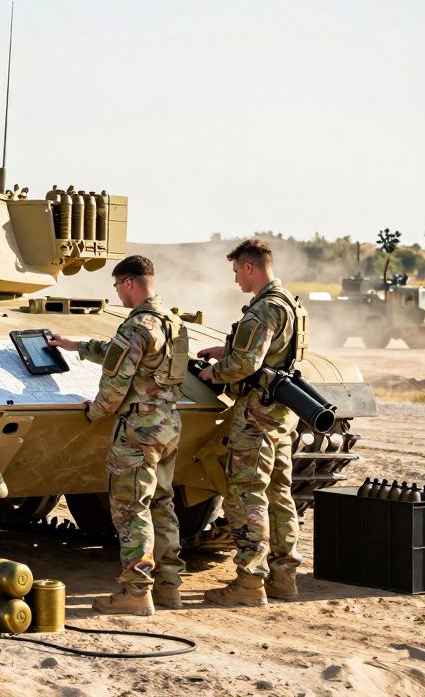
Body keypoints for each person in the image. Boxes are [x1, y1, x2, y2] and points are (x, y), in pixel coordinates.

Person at [46, 255, 186, 616]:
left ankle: (136, 591)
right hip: (168, 423)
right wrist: (76, 346)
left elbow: (115, 383)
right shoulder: (172, 322)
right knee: (161, 502)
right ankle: (169, 587)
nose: (118, 295)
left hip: (138, 429)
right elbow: (125, 356)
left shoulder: (135, 326)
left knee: (131, 507)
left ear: (128, 283)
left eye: (117, 287)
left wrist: (94, 411)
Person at [197, 238, 304, 606]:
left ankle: (249, 582)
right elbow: (273, 351)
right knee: (278, 494)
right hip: (281, 414)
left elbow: (246, 364)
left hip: (256, 415)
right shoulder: (288, 303)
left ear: (249, 267)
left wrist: (215, 372)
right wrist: (226, 349)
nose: (235, 280)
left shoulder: (262, 309)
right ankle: (283, 578)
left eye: (236, 271)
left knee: (246, 495)